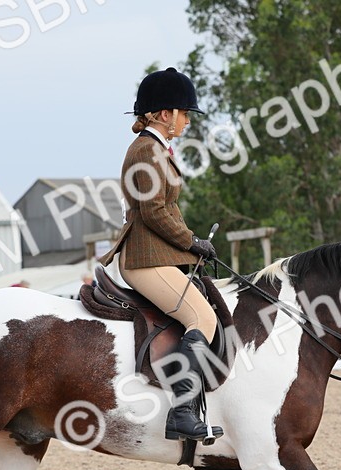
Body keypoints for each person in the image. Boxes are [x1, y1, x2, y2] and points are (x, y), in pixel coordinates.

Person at [98, 66, 222, 443]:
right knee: (203, 316)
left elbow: (164, 208)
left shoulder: (155, 149)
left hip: (155, 254)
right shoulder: (145, 150)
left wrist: (192, 242)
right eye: (184, 113)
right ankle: (182, 413)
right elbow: (153, 211)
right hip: (144, 259)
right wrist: (190, 241)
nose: (186, 121)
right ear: (165, 113)